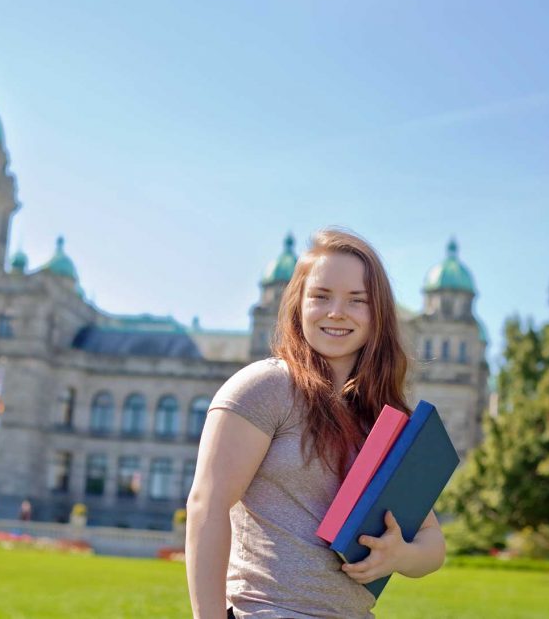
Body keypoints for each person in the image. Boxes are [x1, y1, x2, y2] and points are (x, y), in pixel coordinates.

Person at [186, 229, 446, 619]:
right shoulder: (266, 386)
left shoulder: (383, 418)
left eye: (356, 300)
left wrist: (399, 554)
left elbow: (433, 545)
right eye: (321, 296)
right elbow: (207, 504)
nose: (336, 312)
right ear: (298, 304)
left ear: (378, 315)